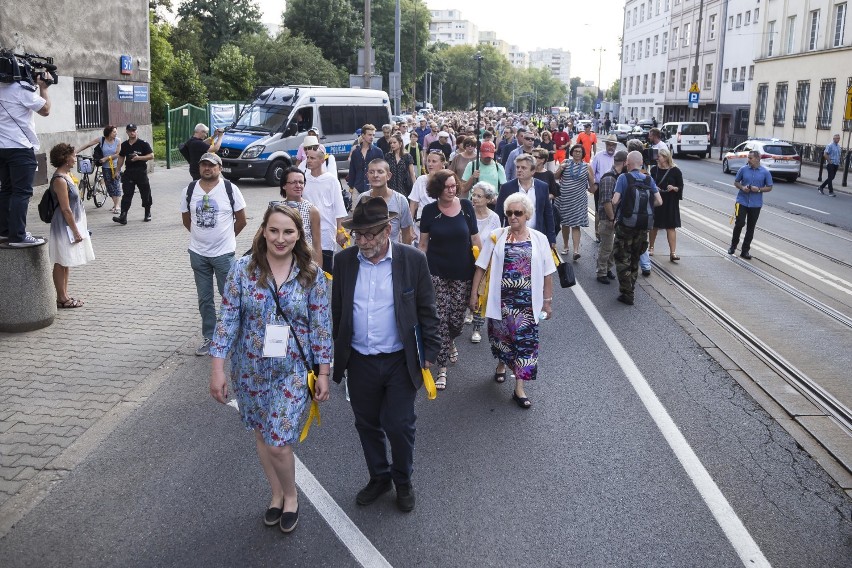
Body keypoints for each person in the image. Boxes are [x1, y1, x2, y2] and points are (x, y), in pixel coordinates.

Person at [209, 204, 332, 534]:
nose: (280, 238)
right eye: (274, 230)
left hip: (292, 369)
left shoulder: (311, 274)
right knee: (263, 434)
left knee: (278, 440)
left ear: (298, 235)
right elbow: (228, 320)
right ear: (263, 230)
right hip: (250, 370)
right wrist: (218, 368)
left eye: (288, 232)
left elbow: (321, 326)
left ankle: (291, 496)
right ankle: (275, 493)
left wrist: (322, 373)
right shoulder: (242, 270)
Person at [331, 197, 440, 513]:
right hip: (360, 360)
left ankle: (403, 480)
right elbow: (339, 311)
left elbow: (426, 309)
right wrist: (335, 355)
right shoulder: (345, 261)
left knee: (399, 424)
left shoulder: (412, 260)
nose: (363, 241)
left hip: (399, 360)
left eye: (370, 234)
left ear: (388, 229)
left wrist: (429, 352)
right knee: (366, 424)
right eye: (358, 235)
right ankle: (379, 477)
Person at [469, 193, 556, 409]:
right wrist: (473, 296)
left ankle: (519, 388)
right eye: (509, 213)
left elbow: (547, 272)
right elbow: (481, 266)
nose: (513, 217)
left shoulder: (539, 239)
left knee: (526, 345)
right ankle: (501, 364)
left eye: (518, 213)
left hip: (527, 304)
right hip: (501, 302)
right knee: (501, 340)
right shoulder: (496, 236)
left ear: (527, 215)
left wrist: (547, 301)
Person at [418, 170, 481, 391]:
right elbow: (423, 245)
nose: (452, 190)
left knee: (456, 320)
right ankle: (442, 367)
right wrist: (420, 271)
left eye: (454, 186)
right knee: (441, 319)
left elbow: (475, 238)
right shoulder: (428, 211)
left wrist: (482, 271)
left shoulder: (466, 208)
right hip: (436, 272)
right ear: (438, 189)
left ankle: (451, 340)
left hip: (463, 272)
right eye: (447, 187)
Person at [180, 152, 248, 355]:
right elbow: (186, 220)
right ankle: (210, 337)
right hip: (198, 254)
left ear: (219, 168)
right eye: (204, 165)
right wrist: (202, 239)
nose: (207, 169)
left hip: (224, 254)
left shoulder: (230, 189)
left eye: (211, 165)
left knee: (230, 295)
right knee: (204, 298)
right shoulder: (190, 189)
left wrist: (227, 238)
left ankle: (234, 334)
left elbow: (242, 220)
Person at [0, 72, 51, 247]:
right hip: (20, 148)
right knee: (21, 192)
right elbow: (45, 110)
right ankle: (18, 236)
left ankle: (5, 232)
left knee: (6, 190)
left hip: (2, 149)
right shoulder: (20, 90)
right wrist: (43, 88)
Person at [46, 143, 95, 308]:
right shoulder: (59, 179)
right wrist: (75, 231)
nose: (76, 159)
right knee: (61, 261)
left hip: (70, 224)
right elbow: (66, 209)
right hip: (64, 226)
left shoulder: (66, 175)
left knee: (66, 260)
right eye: (73, 156)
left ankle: (64, 295)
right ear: (65, 159)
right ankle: (61, 298)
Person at [612, 151, 663, 305]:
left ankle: (627, 292)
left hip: (626, 225)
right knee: (635, 257)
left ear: (628, 162)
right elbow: (659, 201)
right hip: (642, 226)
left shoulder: (623, 177)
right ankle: (631, 286)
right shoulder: (648, 179)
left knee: (622, 257)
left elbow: (615, 201)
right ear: (641, 163)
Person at [303, 147, 349, 274]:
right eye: (307, 157)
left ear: (322, 160)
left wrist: (340, 231)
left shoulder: (331, 180)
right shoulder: (304, 179)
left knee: (325, 270)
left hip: (326, 233)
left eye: (312, 158)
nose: (309, 160)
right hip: (307, 232)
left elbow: (339, 207)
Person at [496, 154, 557, 246]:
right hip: (513, 236)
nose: (519, 170)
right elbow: (499, 214)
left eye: (523, 168)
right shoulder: (506, 188)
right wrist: (497, 236)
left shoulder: (542, 187)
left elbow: (548, 213)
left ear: (533, 171)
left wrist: (551, 238)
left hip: (536, 235)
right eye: (517, 167)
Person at [351, 159, 414, 244]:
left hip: (392, 254)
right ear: (367, 176)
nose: (375, 175)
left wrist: (404, 256)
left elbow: (407, 234)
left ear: (388, 176)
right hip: (367, 252)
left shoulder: (400, 201)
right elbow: (358, 229)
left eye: (380, 172)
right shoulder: (362, 198)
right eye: (371, 172)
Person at [469, 181, 500, 344]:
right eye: (473, 195)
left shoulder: (494, 218)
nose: (474, 198)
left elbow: (497, 241)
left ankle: (477, 328)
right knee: (468, 290)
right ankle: (468, 311)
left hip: (485, 262)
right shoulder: (467, 212)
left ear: (488, 199)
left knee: (480, 292)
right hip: (466, 259)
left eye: (479, 196)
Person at [728, 150, 773, 260]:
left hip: (755, 204)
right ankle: (733, 246)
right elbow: (736, 182)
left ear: (757, 159)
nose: (748, 160)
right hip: (741, 201)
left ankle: (745, 250)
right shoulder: (743, 169)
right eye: (748, 157)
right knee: (739, 223)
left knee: (750, 228)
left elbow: (770, 187)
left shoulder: (765, 172)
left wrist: (758, 189)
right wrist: (742, 187)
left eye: (750, 158)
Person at [555, 144, 595, 259]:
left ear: (583, 154)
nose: (577, 153)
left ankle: (576, 251)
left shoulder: (587, 166)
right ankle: (566, 246)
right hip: (564, 198)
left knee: (576, 224)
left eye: (580, 152)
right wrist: (561, 168)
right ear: (572, 153)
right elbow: (555, 177)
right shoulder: (566, 162)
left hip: (578, 200)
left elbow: (592, 186)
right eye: (575, 151)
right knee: (565, 224)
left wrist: (590, 178)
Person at [279, 167, 323, 266]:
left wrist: (318, 271)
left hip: (304, 264)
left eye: (301, 182)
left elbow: (317, 244)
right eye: (293, 182)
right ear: (284, 185)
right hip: (281, 262)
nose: (298, 185)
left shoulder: (312, 210)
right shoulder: (277, 209)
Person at [595, 150, 627, 284]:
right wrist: (612, 218)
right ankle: (601, 272)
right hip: (608, 218)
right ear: (625, 163)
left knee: (613, 247)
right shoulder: (609, 178)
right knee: (606, 247)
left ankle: (608, 269)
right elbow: (606, 201)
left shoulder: (620, 176)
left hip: (614, 218)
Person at [113, 124, 154, 224]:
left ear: (136, 131)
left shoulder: (143, 144)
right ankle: (123, 216)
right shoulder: (125, 145)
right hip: (129, 173)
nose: (132, 132)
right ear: (127, 132)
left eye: (134, 130)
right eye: (130, 131)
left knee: (145, 193)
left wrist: (138, 158)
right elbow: (121, 158)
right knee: (127, 194)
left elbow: (151, 155)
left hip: (141, 172)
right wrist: (117, 171)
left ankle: (147, 212)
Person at [648, 149, 684, 262]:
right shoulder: (654, 170)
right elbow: (649, 184)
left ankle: (673, 253)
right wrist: (655, 189)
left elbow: (680, 186)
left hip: (670, 202)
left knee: (671, 226)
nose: (657, 158)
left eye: (659, 156)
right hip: (657, 201)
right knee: (654, 225)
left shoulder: (675, 171)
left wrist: (674, 188)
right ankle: (651, 247)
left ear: (666, 157)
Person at [77, 125, 122, 213]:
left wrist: (106, 158)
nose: (116, 133)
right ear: (109, 133)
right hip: (105, 167)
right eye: (114, 132)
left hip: (115, 166)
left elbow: (118, 154)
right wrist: (76, 151)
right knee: (109, 186)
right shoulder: (102, 139)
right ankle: (115, 204)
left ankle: (117, 206)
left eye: (116, 131)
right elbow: (88, 144)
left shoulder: (118, 141)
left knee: (116, 185)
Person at [408, 149, 446, 245]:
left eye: (434, 161)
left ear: (442, 164)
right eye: (428, 161)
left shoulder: (447, 181)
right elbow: (413, 204)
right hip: (421, 227)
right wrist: (410, 227)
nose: (430, 164)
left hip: (441, 226)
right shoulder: (421, 180)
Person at [348, 124, 384, 195]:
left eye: (373, 135)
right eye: (369, 135)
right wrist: (351, 187)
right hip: (358, 188)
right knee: (356, 206)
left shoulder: (378, 152)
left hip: (373, 188)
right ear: (363, 135)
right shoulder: (356, 152)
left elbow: (382, 170)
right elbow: (352, 170)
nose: (372, 137)